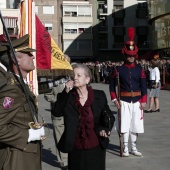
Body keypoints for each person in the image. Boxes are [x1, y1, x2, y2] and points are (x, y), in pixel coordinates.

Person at [52, 63, 114, 170]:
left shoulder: (99, 95)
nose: (75, 78)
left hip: (95, 145)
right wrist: (65, 92)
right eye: (73, 76)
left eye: (79, 75)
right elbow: (56, 112)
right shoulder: (68, 97)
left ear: (87, 79)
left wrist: (105, 128)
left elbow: (108, 115)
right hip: (75, 147)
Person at [0, 34, 45, 170]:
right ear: (16, 60)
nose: (33, 57)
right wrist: (29, 134)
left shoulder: (20, 85)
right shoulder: (12, 90)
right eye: (29, 54)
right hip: (17, 160)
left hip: (26, 157)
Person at [109, 27, 147, 157]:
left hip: (137, 101)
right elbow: (112, 86)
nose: (131, 58)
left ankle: (133, 147)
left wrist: (144, 100)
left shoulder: (139, 69)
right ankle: (125, 147)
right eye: (129, 56)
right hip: (123, 101)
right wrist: (115, 100)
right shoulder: (118, 69)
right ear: (125, 55)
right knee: (124, 125)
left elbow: (143, 86)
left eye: (133, 56)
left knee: (135, 125)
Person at [44, 54, 71, 170]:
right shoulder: (53, 78)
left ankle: (72, 158)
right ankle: (63, 162)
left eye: (67, 62)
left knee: (72, 136)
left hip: (72, 112)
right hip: (58, 112)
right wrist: (58, 101)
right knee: (60, 137)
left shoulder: (73, 77)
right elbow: (47, 95)